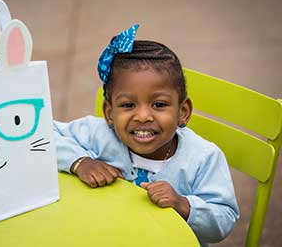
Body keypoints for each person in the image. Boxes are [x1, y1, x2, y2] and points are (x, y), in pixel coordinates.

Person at [53, 24, 239, 246]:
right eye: (128, 104)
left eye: (159, 104)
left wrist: (183, 205)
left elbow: (224, 219)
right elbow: (43, 137)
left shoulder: (203, 158)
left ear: (183, 111)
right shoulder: (99, 134)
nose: (142, 116)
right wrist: (80, 162)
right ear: (109, 113)